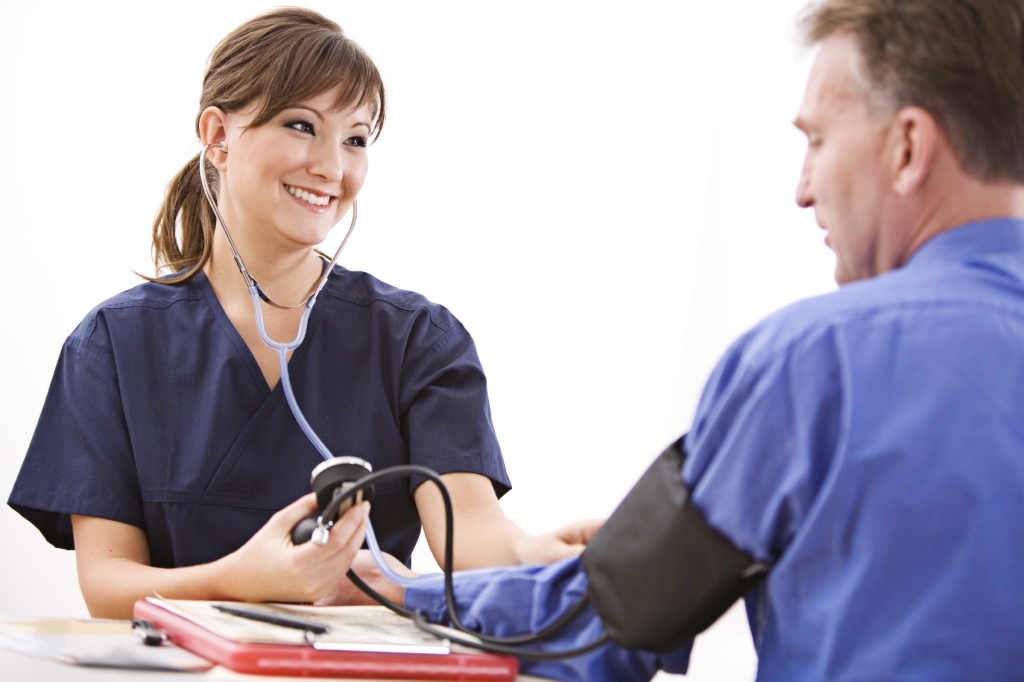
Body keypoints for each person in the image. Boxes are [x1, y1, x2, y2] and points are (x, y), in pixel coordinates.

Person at [364, 1, 1024, 680]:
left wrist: (402, 590)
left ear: (908, 148)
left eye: (818, 141)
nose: (802, 190)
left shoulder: (813, 361)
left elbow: (608, 618)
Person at [6, 7, 598, 620]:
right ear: (218, 135)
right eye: (301, 125)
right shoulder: (112, 345)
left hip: (360, 662)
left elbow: (470, 533)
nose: (332, 168)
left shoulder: (418, 341)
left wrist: (533, 554)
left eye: (355, 140)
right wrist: (242, 579)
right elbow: (107, 585)